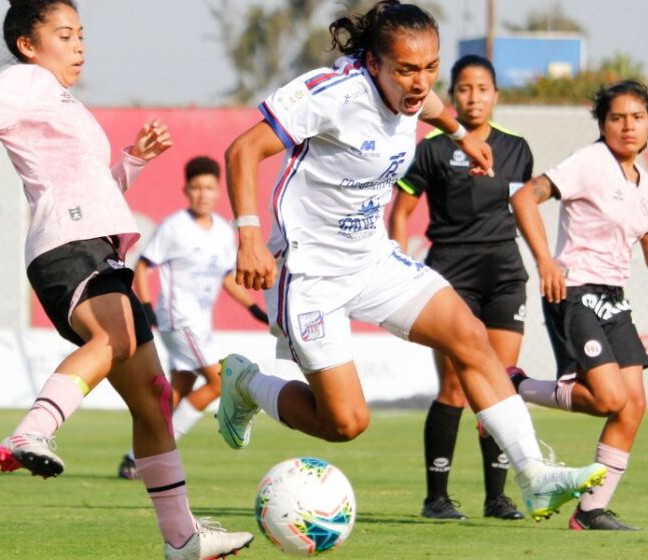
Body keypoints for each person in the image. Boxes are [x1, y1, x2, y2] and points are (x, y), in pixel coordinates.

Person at [217, 0, 607, 522]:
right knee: (345, 423)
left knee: (469, 336)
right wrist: (247, 236)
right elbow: (242, 151)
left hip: (373, 261)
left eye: (429, 67)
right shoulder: (334, 93)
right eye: (405, 69)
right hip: (310, 273)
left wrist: (462, 135)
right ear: (373, 63)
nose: (419, 82)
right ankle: (246, 383)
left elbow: (431, 105)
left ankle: (534, 476)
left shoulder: (413, 94)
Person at [0, 1, 253, 557]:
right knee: (116, 339)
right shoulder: (24, 80)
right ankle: (32, 429)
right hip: (66, 247)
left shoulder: (61, 100)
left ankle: (182, 538)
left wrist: (131, 160)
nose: (78, 44)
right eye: (64, 34)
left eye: (81, 34)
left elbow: (90, 189)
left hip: (98, 249)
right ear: (28, 44)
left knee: (155, 403)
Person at [510, 80, 648, 531]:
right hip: (574, 293)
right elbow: (525, 197)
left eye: (637, 117)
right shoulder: (590, 162)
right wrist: (546, 261)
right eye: (616, 117)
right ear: (603, 125)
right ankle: (516, 387)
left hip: (613, 301)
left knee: (632, 405)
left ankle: (589, 512)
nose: (627, 126)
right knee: (608, 398)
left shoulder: (645, 186)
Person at [389, 55, 531, 521]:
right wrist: (396, 264)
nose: (474, 97)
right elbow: (401, 214)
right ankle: (437, 498)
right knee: (453, 386)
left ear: (495, 95)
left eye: (483, 88)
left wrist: (546, 260)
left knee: (500, 380)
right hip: (451, 275)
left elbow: (524, 209)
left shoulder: (516, 148)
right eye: (465, 89)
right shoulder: (430, 147)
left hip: (505, 275)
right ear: (452, 95)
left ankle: (498, 497)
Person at [118, 156, 268, 479]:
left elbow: (228, 277)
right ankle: (163, 456)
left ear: (218, 192)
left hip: (199, 324)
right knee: (218, 382)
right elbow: (144, 266)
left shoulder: (224, 233)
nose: (202, 194)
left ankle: (135, 459)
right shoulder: (174, 227)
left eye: (209, 188)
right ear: (186, 190)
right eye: (196, 188)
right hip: (178, 319)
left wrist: (254, 309)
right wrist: (144, 306)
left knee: (175, 395)